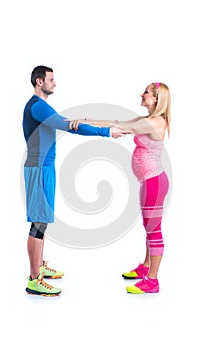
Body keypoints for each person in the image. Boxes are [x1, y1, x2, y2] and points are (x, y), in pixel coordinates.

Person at [22, 65, 127, 297]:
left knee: (43, 220)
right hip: (38, 168)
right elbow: (68, 126)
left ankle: (39, 267)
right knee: (38, 222)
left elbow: (65, 122)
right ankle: (33, 279)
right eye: (51, 79)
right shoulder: (37, 106)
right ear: (39, 81)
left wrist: (98, 125)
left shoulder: (42, 107)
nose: (54, 83)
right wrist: (107, 132)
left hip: (45, 167)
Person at [70, 82, 171, 294]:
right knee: (149, 226)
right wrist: (85, 121)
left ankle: (152, 281)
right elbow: (117, 122)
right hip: (149, 181)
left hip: (154, 181)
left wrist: (86, 125)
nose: (141, 95)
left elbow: (122, 127)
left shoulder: (154, 122)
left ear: (156, 98)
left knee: (154, 230)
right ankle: (146, 267)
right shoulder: (147, 120)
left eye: (146, 92)